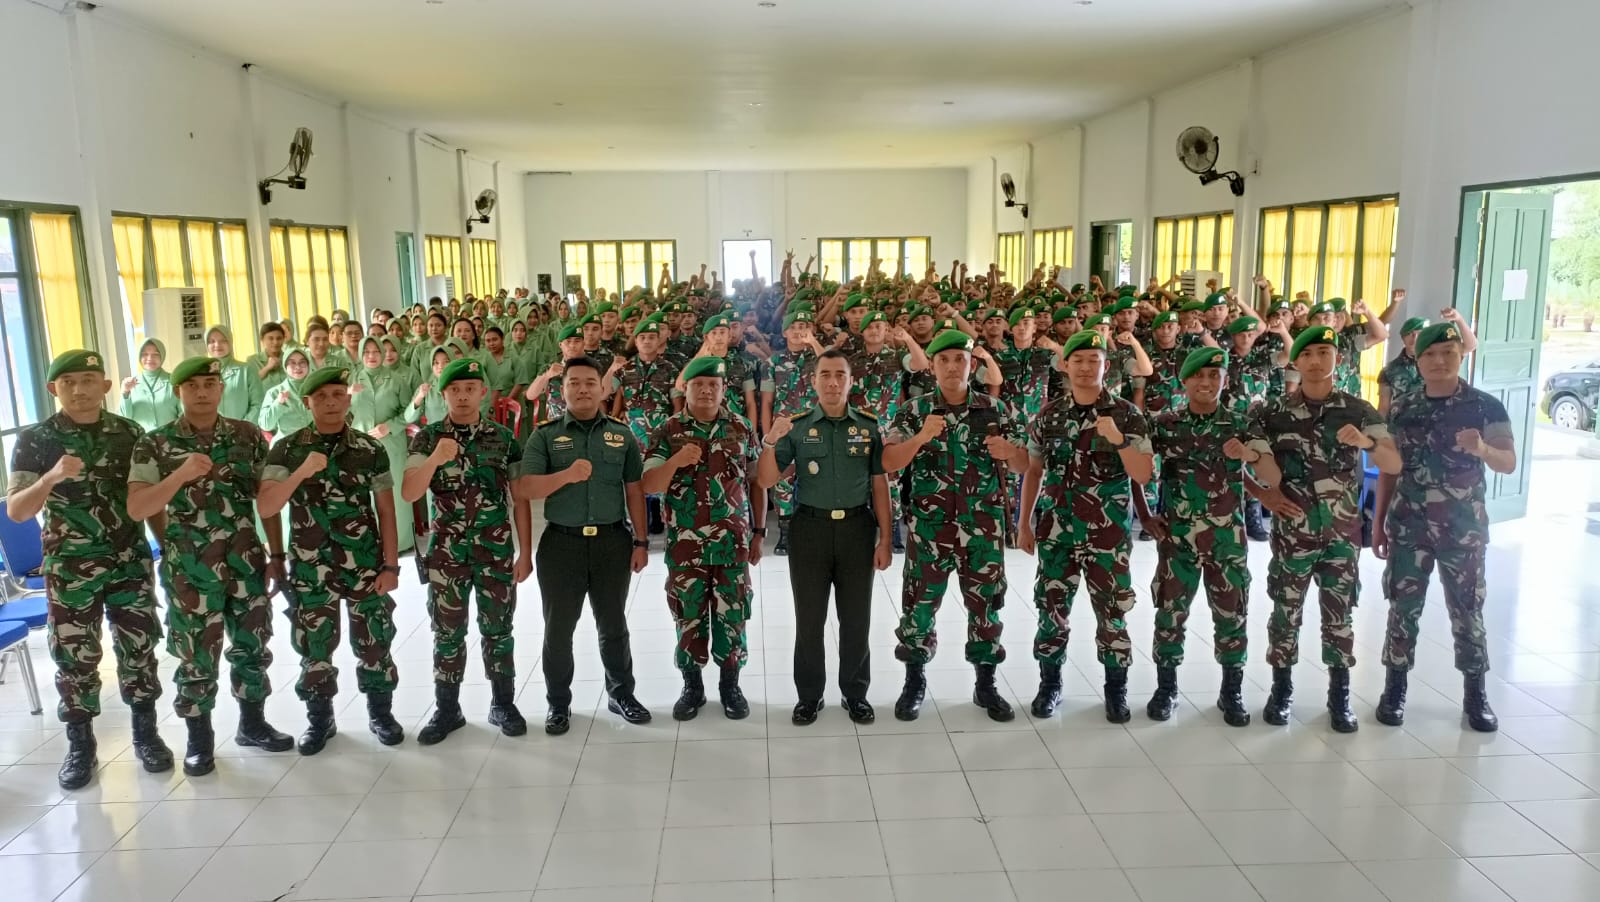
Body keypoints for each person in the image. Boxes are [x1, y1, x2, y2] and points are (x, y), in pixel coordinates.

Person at [8, 350, 173, 790]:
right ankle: (81, 746)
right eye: (68, 382)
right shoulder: (36, 439)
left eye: (88, 380)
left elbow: (148, 499)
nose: (79, 390)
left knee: (139, 648)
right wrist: (50, 478)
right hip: (70, 568)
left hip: (128, 561)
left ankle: (147, 735)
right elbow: (18, 511)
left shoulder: (130, 433)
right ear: (53, 389)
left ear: (106, 385)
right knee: (75, 658)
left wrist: (168, 545)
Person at [126, 356, 295, 776]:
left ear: (221, 388)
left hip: (246, 560)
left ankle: (252, 724)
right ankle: (199, 741)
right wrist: (179, 477)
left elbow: (267, 501)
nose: (202, 393)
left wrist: (276, 555)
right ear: (178, 392)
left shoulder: (247, 435)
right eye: (192, 386)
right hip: (190, 570)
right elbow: (139, 507)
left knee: (252, 643)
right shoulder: (155, 443)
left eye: (209, 384)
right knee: (195, 654)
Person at [1252, 325, 1401, 732]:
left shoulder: (1358, 410)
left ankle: (1340, 697)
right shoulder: (1272, 413)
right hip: (1293, 535)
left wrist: (1367, 444)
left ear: (1339, 358)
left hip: (1341, 536)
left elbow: (1393, 463)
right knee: (1285, 614)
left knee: (1340, 616)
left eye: (1324, 352)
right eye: (1307, 354)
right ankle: (1281, 692)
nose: (1316, 361)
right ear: (1295, 362)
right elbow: (1240, 460)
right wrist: (1262, 495)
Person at [1372, 321, 1514, 732]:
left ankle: (1476, 694)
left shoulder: (1486, 406)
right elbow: (1390, 469)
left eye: (1448, 353)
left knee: (1467, 610)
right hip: (1408, 527)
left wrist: (1482, 448)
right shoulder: (1402, 408)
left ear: (1460, 355)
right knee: (1402, 609)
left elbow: (1508, 462)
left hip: (1462, 530)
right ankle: (1394, 690)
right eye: (1430, 354)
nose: (1439, 361)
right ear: (1417, 361)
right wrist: (1378, 523)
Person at [258, 366, 405, 753]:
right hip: (311, 567)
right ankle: (320, 720)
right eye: (321, 397)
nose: (330, 403)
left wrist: (391, 566)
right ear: (307, 402)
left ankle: (380, 714)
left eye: (338, 395)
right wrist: (301, 472)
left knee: (374, 642)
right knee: (315, 647)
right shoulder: (286, 449)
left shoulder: (369, 449)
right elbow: (267, 505)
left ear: (348, 398)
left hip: (365, 564)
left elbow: (386, 510)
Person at [883, 329, 1028, 722]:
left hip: (982, 530)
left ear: (972, 365)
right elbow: (889, 462)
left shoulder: (996, 410)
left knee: (986, 608)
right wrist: (921, 437)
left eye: (959, 360)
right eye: (943, 360)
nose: (951, 367)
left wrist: (1009, 452)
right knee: (918, 608)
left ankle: (986, 684)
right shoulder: (914, 411)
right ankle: (914, 682)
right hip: (930, 530)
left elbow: (1024, 465)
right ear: (931, 366)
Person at [1137, 348, 1279, 727]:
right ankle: (1166, 689)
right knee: (1170, 614)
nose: (1206, 382)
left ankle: (1231, 691)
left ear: (1225, 380)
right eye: (1199, 376)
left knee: (1231, 615)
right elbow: (1136, 468)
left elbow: (1272, 474)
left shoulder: (1240, 423)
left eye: (1215, 376)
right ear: (1184, 382)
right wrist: (1144, 512)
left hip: (1226, 540)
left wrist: (1249, 455)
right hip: (1178, 541)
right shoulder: (1165, 424)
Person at [1017, 330, 1153, 722]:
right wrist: (1023, 523)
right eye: (1078, 360)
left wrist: (1120, 441)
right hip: (1057, 531)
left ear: (1106, 366)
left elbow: (1143, 474)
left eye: (1094, 360)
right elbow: (1034, 471)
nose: (1085, 367)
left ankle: (1115, 689)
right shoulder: (1049, 415)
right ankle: (1050, 684)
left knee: (1112, 612)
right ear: (1065, 365)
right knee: (1051, 609)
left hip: (1107, 536)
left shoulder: (1127, 415)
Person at [518, 356, 652, 735]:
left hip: (612, 542)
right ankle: (558, 703)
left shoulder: (621, 434)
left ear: (602, 388)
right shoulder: (545, 435)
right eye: (574, 383)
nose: (582, 389)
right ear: (562, 390)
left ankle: (621, 694)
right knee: (558, 630)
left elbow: (634, 490)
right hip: (561, 545)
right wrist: (566, 475)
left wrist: (641, 541)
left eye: (590, 382)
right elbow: (527, 488)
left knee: (613, 624)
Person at [757, 350, 892, 725]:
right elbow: (766, 479)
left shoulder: (869, 426)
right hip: (809, 530)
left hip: (856, 529)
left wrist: (884, 539)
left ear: (851, 382)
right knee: (809, 620)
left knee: (856, 618)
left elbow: (879, 484)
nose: (833, 382)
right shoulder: (797, 427)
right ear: (813, 381)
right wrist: (770, 442)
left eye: (840, 375)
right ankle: (809, 696)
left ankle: (855, 693)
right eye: (825, 375)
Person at [403, 358, 533, 743]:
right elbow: (410, 491)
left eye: (470, 389)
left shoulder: (503, 439)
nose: (462, 396)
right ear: (443, 394)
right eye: (454, 390)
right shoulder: (426, 439)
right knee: (447, 633)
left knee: (499, 629)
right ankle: (448, 710)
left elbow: (520, 497)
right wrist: (434, 459)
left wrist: (526, 552)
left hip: (495, 552)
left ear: (482, 393)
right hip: (447, 555)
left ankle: (503, 703)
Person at [640, 355, 767, 720]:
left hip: (732, 543)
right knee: (688, 615)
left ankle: (730, 685)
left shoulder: (740, 427)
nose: (707, 391)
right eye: (699, 385)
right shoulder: (668, 430)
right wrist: (675, 461)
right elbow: (649, 484)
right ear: (687, 388)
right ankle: (692, 685)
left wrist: (759, 532)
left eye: (714, 385)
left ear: (724, 389)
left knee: (733, 614)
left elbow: (756, 482)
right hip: (686, 547)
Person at [1377, 309, 1478, 418]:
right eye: (1410, 334)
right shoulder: (1389, 370)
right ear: (1403, 338)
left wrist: (1459, 319)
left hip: (1441, 418)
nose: (1415, 338)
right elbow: (1383, 408)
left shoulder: (1442, 360)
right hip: (1404, 422)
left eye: (1420, 333)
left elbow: (1471, 345)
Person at [206, 325, 265, 423]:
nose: (217, 345)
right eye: (212, 341)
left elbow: (258, 404)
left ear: (230, 342)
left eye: (223, 340)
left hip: (242, 430)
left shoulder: (246, 370)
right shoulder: (201, 373)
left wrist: (241, 427)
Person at [119, 338, 179, 431]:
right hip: (142, 438)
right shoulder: (131, 384)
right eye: (145, 354)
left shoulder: (174, 382)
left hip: (170, 437)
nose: (150, 358)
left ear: (162, 356)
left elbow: (184, 415)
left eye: (156, 354)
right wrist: (125, 393)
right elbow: (125, 419)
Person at [258, 348, 314, 442]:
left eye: (302, 362)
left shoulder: (317, 389)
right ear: (285, 366)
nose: (298, 367)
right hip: (285, 444)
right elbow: (265, 425)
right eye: (292, 363)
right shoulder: (274, 393)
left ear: (308, 365)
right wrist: (278, 404)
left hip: (314, 443)